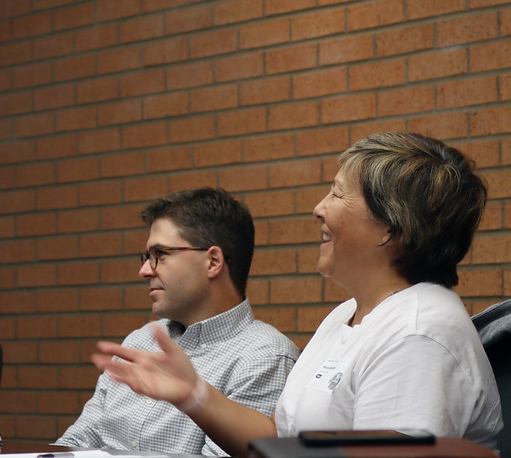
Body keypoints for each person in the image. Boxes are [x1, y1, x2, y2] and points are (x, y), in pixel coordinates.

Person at [92, 132, 503, 455]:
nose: (319, 208)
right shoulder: (347, 316)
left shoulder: (419, 332)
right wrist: (194, 395)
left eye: (338, 193)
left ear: (391, 228)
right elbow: (281, 442)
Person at [56, 188, 299, 455]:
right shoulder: (141, 339)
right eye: (147, 257)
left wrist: (194, 396)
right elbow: (79, 440)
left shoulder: (265, 356)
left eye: (159, 254)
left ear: (213, 261)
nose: (144, 270)